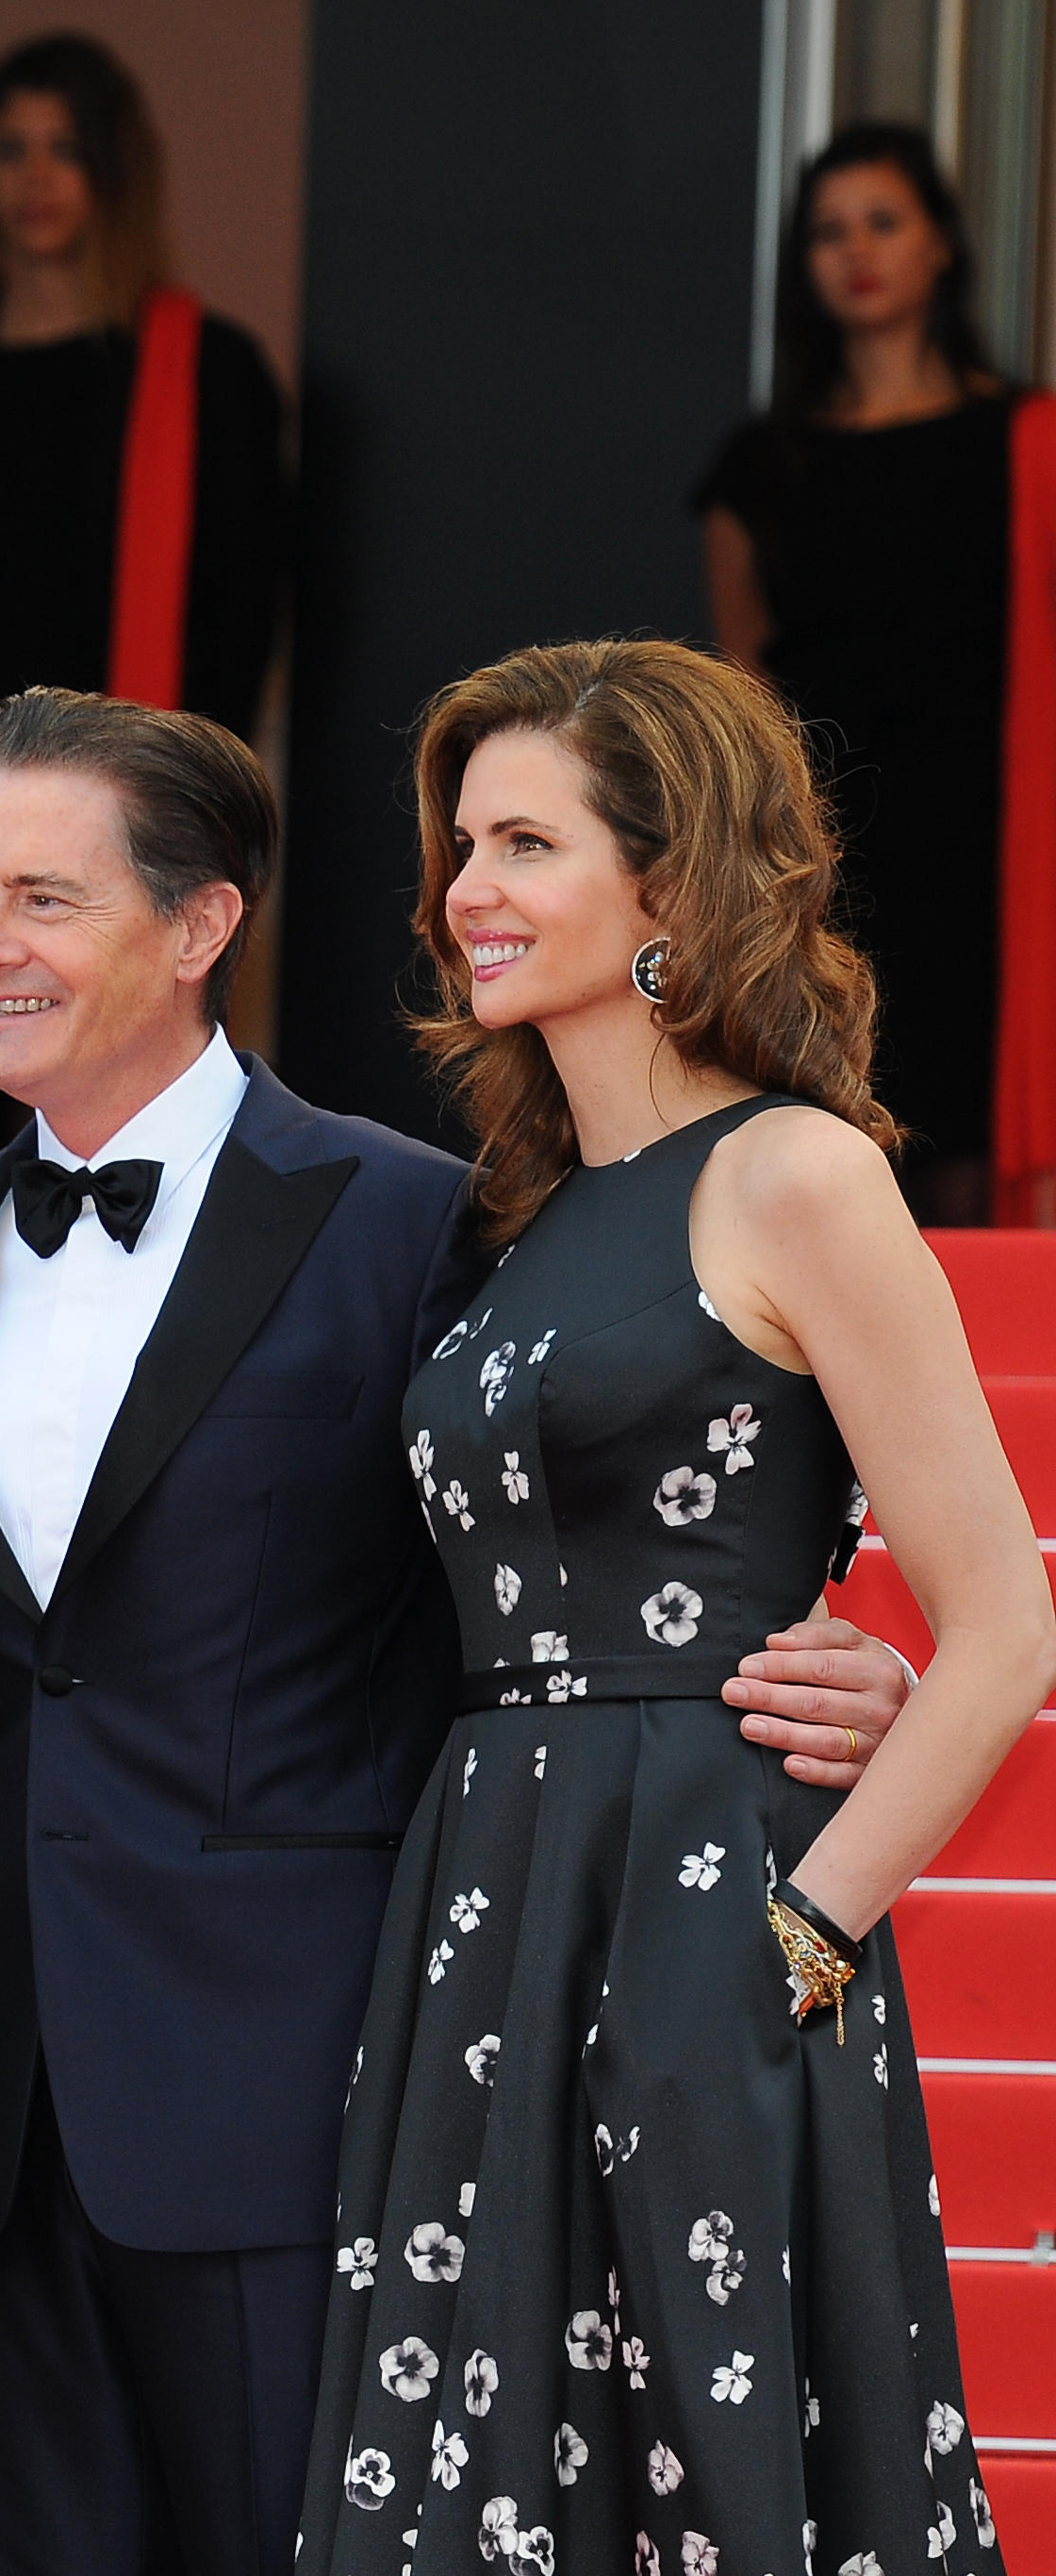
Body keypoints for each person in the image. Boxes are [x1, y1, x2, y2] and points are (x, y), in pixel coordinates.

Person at [0, 688, 916, 2576]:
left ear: (202, 925)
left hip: (311, 2088)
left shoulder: (425, 1224)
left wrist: (830, 1658)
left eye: (40, 895)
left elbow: (584, 1503)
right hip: (5, 2111)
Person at [302, 640, 1053, 2575]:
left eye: (526, 841)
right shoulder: (530, 1216)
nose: (466, 885)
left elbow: (1003, 1629)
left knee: (706, 2469)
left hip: (712, 1899)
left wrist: (797, 1940)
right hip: (490, 1911)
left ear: (671, 889)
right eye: (462, 841)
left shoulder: (795, 1176)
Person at [0, 34, 283, 1192]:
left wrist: (180, 820)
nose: (33, 178)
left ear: (112, 172)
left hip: (116, 804)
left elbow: (238, 630)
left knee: (108, 1093)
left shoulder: (211, 374)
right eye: (6, 149)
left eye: (63, 149)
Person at [700, 123, 1009, 1225]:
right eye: (828, 231)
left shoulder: (1020, 440)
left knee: (971, 1123)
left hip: (985, 840)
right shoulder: (761, 463)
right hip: (823, 839)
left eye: (883, 220)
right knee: (832, 1112)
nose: (856, 251)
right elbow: (742, 683)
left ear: (939, 246)